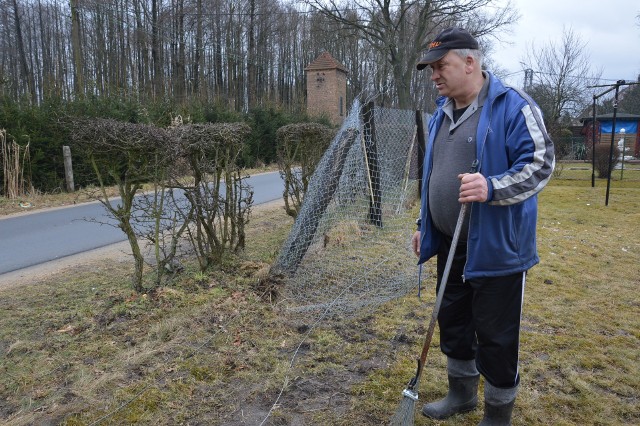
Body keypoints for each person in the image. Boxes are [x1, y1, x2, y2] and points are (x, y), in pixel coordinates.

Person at [411, 27, 555, 425]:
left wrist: (492, 187)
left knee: (496, 336)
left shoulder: (513, 105)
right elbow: (433, 175)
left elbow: (541, 165)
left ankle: (497, 412)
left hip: (497, 249)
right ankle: (461, 393)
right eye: (432, 69)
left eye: (441, 66)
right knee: (453, 322)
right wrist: (425, 222)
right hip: (449, 241)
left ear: (470, 62)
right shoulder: (442, 113)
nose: (434, 75)